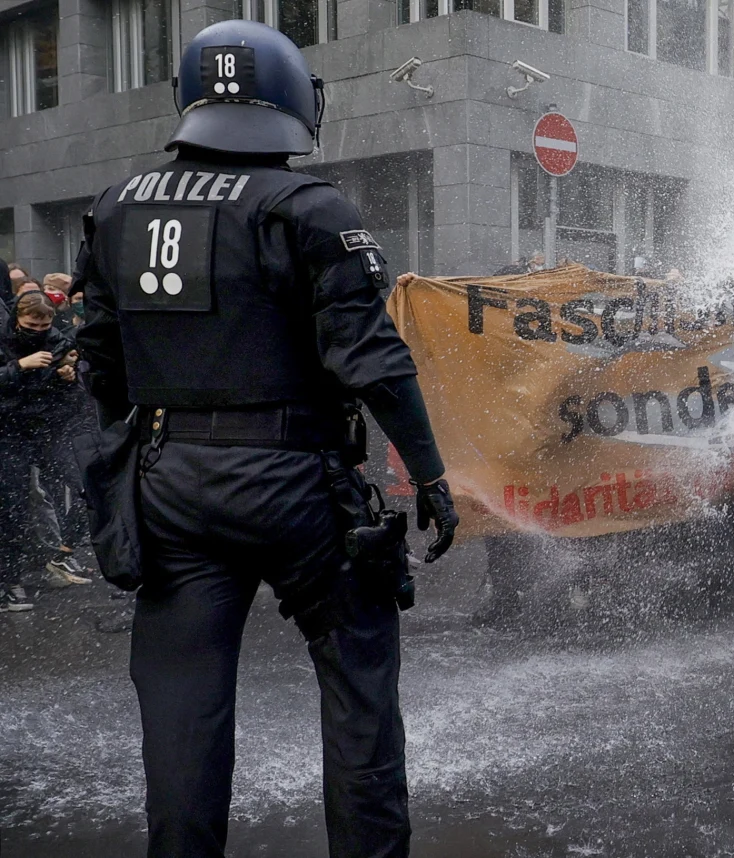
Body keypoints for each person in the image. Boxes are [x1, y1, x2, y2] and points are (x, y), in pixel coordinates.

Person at [72, 20, 458, 858]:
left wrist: (130, 466)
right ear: (290, 101)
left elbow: (100, 362)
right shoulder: (307, 209)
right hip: (298, 483)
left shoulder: (115, 208)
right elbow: (374, 363)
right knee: (359, 693)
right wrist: (428, 472)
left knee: (180, 715)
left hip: (169, 482)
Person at [0, 292, 92, 611]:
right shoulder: (5, 339)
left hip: (48, 429)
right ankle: (10, 581)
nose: (38, 329)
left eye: (44, 323)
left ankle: (62, 554)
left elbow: (71, 380)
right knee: (13, 505)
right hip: (10, 430)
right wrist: (19, 366)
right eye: (31, 324)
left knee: (86, 488)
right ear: (18, 319)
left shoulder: (56, 340)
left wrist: (66, 374)